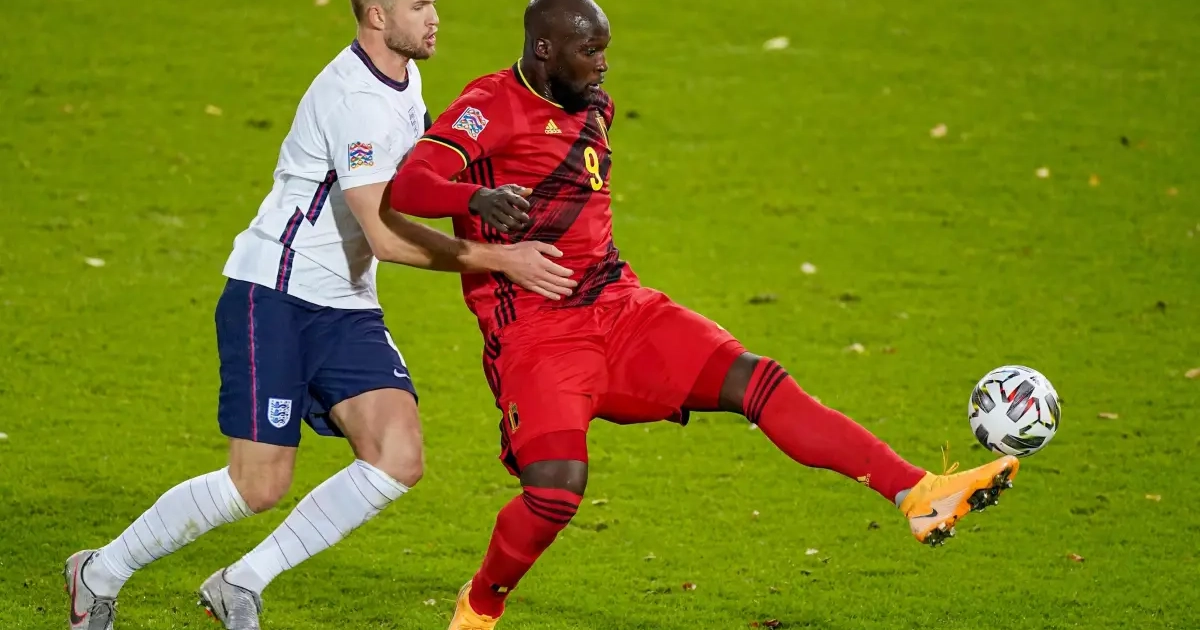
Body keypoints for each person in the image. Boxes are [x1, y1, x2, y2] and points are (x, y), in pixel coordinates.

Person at [391, 0, 1023, 627]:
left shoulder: (595, 107)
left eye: (605, 50)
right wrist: (476, 198)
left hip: (621, 308)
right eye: (589, 52)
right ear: (543, 50)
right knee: (555, 491)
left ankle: (918, 493)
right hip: (537, 333)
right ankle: (481, 605)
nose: (603, 65)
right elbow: (411, 185)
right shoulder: (490, 104)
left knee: (757, 380)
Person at [62, 2, 578, 629]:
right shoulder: (352, 99)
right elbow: (385, 236)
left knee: (397, 455)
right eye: (417, 4)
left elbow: (417, 180)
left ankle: (241, 581)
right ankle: (100, 572)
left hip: (347, 302)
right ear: (377, 14)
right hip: (276, 295)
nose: (434, 15)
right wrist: (501, 259)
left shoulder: (404, 76)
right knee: (257, 485)